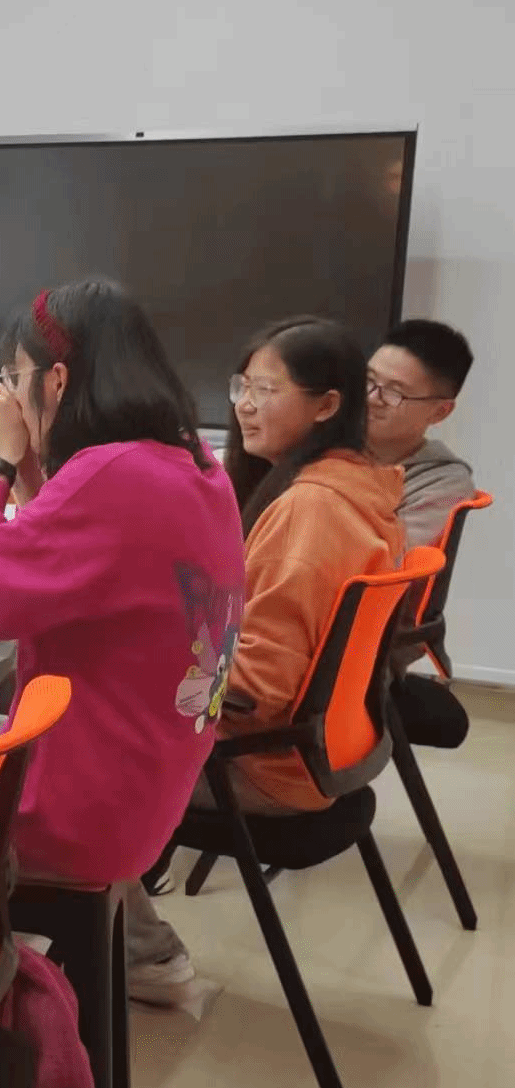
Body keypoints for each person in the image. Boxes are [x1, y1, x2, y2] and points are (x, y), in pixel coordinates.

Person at [0, 280, 246, 1004]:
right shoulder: (191, 461)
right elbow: (68, 555)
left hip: (79, 809)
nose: (8, 393)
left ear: (57, 381)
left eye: (14, 376)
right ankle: (131, 951)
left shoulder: (114, 475)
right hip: (145, 786)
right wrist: (28, 459)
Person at [219, 317, 404, 813]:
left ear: (326, 406)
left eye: (265, 390)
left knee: (68, 737)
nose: (244, 404)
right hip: (319, 756)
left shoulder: (310, 509)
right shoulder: (361, 486)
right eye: (242, 386)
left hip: (258, 765)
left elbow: (255, 692)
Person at [365, 319, 476, 553]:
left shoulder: (443, 483)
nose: (371, 398)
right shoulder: (324, 437)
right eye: (368, 380)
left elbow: (389, 560)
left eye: (395, 392)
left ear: (440, 412)